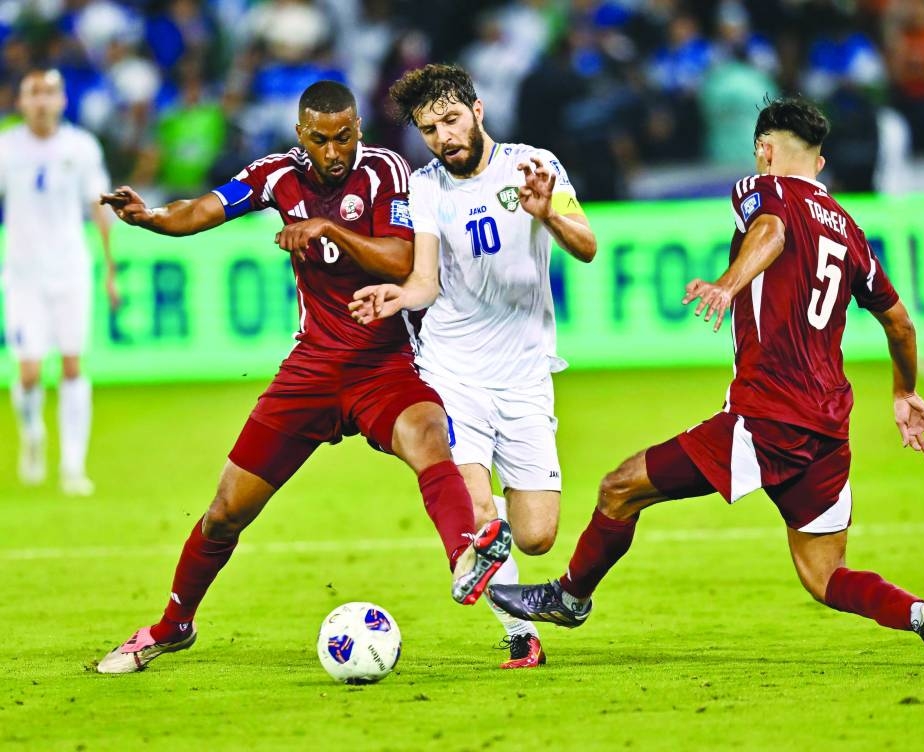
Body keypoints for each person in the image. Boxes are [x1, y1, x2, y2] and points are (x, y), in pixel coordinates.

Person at [489, 96, 924, 666]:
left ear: (765, 152)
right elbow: (899, 322)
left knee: (619, 489)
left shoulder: (761, 188)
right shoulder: (849, 230)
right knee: (825, 574)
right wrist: (903, 391)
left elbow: (771, 231)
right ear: (819, 164)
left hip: (769, 414)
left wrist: (729, 282)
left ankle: (569, 599)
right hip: (827, 427)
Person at [95, 80, 511, 674]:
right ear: (301, 135)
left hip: (382, 364)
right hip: (311, 370)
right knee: (225, 512)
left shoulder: (385, 172)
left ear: (359, 130)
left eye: (345, 136)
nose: (335, 151)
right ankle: (171, 625)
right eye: (321, 139)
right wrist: (152, 218)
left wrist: (328, 230)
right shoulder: (276, 175)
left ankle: (463, 560)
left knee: (427, 433)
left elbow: (403, 259)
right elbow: (203, 209)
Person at [350, 63, 597, 669]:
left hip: (526, 371)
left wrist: (549, 215)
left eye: (452, 120)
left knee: (536, 535)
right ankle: (518, 633)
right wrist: (397, 295)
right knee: (475, 509)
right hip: (452, 369)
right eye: (429, 129)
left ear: (478, 110)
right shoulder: (425, 186)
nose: (443, 137)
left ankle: (489, 557)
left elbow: (587, 246)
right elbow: (426, 280)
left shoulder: (535, 164)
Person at [0, 69, 119, 497]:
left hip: (70, 271)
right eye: (33, 93)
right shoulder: (6, 147)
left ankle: (73, 465)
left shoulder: (81, 147)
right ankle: (32, 435)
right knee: (29, 371)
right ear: (21, 101)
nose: (41, 101)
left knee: (72, 365)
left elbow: (98, 208)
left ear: (62, 100)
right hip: (23, 276)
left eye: (49, 93)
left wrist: (109, 270)